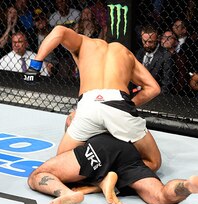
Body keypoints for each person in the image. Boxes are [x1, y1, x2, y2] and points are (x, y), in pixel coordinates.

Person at [25, 25, 162, 171]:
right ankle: (115, 173)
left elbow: (59, 30)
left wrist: (35, 64)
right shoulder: (125, 53)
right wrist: (128, 105)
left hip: (88, 104)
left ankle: (94, 173)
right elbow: (154, 88)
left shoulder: (84, 43)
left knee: (61, 162)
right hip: (119, 104)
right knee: (153, 162)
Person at [27, 133, 198, 204]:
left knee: (39, 174)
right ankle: (188, 186)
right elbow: (154, 162)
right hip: (131, 158)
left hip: (103, 147)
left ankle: (65, 194)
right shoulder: (128, 116)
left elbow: (65, 148)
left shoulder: (83, 113)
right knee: (161, 199)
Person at [136, 25, 174, 94]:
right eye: (144, 41)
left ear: (157, 39)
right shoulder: (140, 52)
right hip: (137, 91)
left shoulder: (165, 56)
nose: (147, 44)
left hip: (154, 96)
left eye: (150, 42)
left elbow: (166, 83)